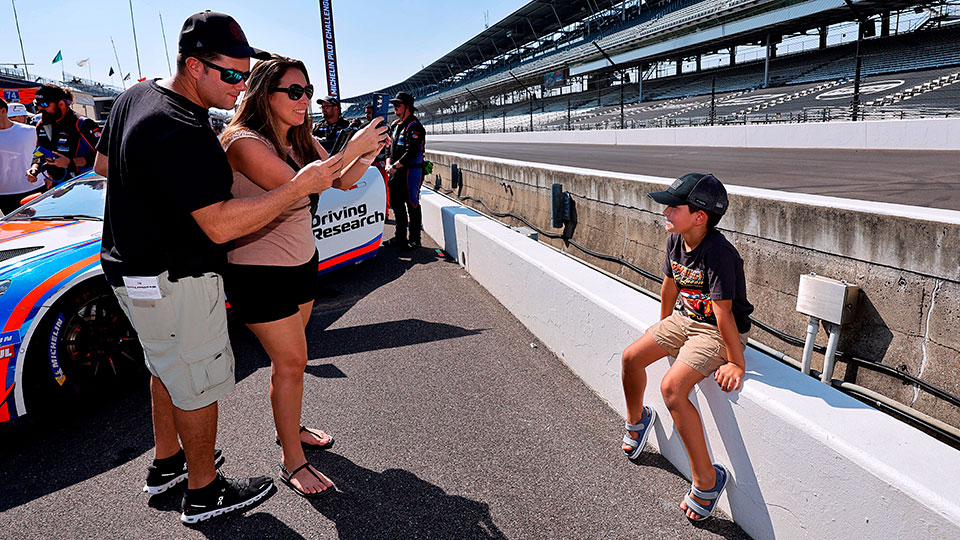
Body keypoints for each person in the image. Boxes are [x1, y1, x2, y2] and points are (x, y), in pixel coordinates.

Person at [93, 10, 343, 524]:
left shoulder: (134, 97)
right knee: (197, 383)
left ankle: (167, 464)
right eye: (230, 74)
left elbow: (103, 165)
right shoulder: (183, 127)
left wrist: (156, 204)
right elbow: (221, 226)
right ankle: (204, 492)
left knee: (165, 367)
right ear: (194, 66)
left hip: (128, 271)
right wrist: (297, 188)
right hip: (176, 276)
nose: (240, 85)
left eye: (245, 75)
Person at [220, 55, 387, 498]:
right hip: (257, 271)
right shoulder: (242, 141)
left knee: (289, 363)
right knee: (293, 361)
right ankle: (292, 460)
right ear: (264, 94)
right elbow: (299, 186)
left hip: (301, 263)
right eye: (294, 92)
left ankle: (289, 428)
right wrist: (352, 147)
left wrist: (366, 154)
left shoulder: (300, 138)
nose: (304, 100)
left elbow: (341, 181)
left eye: (307, 91)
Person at [619, 173, 753, 522]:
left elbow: (724, 315)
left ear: (699, 217)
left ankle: (707, 481)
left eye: (673, 207)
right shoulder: (675, 240)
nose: (665, 211)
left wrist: (736, 363)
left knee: (672, 389)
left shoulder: (719, 253)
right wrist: (662, 325)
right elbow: (670, 288)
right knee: (631, 357)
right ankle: (637, 420)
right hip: (684, 319)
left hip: (715, 332)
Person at [26, 84, 100, 189]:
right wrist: (35, 168)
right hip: (56, 185)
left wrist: (71, 162)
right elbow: (40, 152)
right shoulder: (41, 125)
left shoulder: (82, 123)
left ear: (61, 104)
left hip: (84, 184)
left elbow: (102, 155)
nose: (39, 108)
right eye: (37, 104)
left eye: (44, 104)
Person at [384, 92, 426, 250]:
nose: (395, 107)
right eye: (394, 104)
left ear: (407, 107)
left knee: (412, 204)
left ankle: (415, 239)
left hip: (410, 173)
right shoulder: (395, 125)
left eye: (398, 104)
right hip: (394, 172)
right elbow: (388, 147)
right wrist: (388, 163)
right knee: (396, 204)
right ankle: (400, 237)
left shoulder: (415, 126)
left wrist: (395, 166)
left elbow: (412, 152)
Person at [0, 98, 41, 214]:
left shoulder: (30, 131)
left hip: (34, 188)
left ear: (3, 111)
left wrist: (36, 167)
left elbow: (40, 153)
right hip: (5, 195)